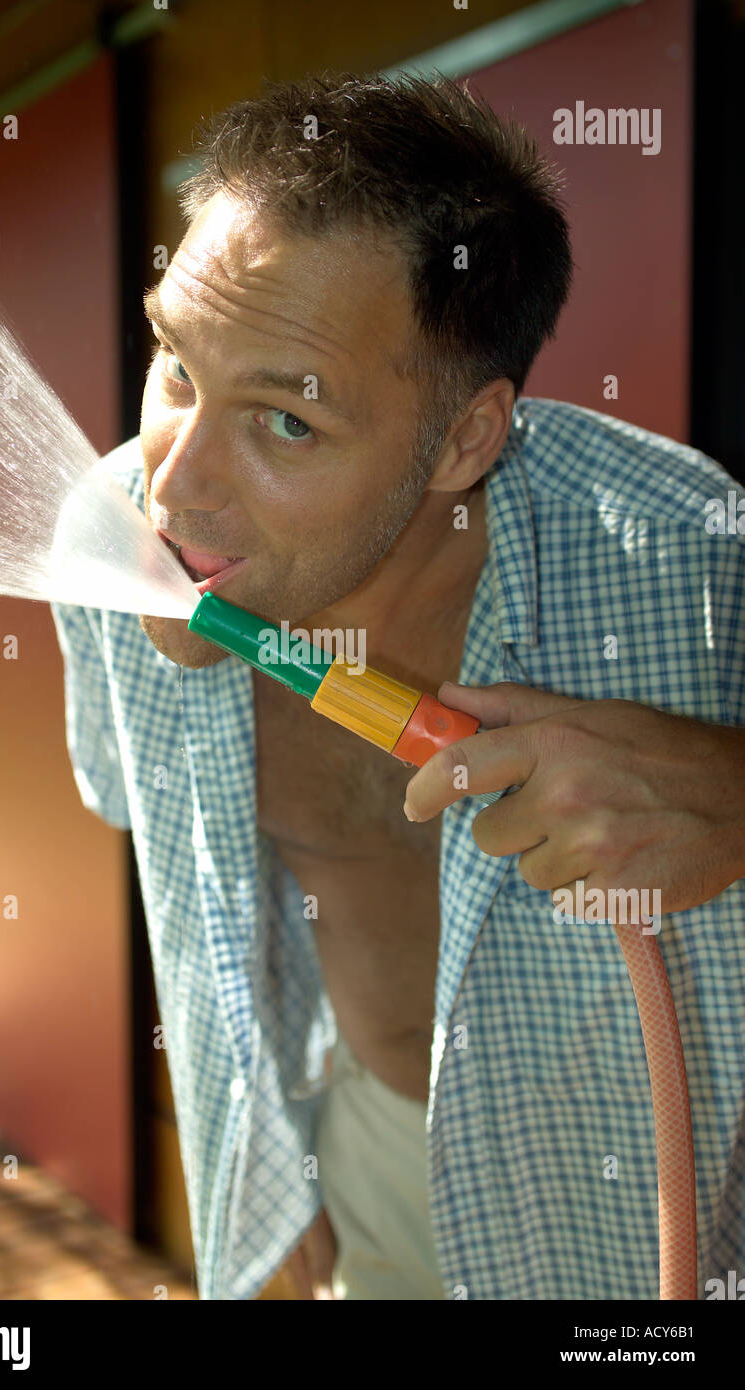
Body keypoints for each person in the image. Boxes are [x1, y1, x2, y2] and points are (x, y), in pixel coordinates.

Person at [51, 72, 745, 1300]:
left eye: (286, 422)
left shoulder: (698, 556)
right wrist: (260, 1160)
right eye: (173, 364)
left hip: (657, 1213)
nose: (174, 488)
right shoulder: (108, 546)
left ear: (468, 438)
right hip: (364, 1151)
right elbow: (179, 865)